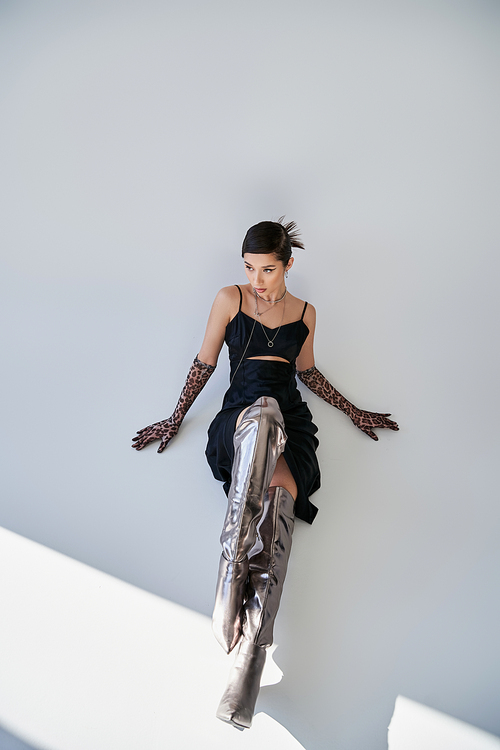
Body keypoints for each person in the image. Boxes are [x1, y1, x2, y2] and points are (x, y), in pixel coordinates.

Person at [132, 219, 399, 730]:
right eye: (251, 268)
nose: (257, 279)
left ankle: (250, 660)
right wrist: (175, 417)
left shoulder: (304, 313)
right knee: (260, 416)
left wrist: (354, 411)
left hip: (289, 424)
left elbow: (308, 371)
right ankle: (233, 561)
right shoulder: (229, 298)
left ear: (289, 265)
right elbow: (205, 363)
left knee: (278, 512)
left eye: (268, 269)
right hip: (239, 419)